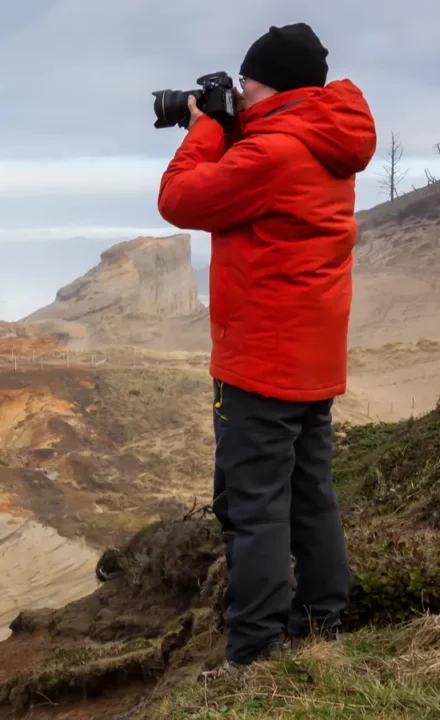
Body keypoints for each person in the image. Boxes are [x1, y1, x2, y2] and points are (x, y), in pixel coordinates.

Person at [156, 22, 378, 675]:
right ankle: (321, 620)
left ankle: (254, 657)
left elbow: (178, 199)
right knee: (311, 496)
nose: (240, 93)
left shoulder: (272, 155)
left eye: (246, 82)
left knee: (253, 509)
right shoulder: (325, 142)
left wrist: (205, 127)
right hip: (310, 361)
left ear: (271, 85)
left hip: (258, 366)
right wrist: (232, 126)